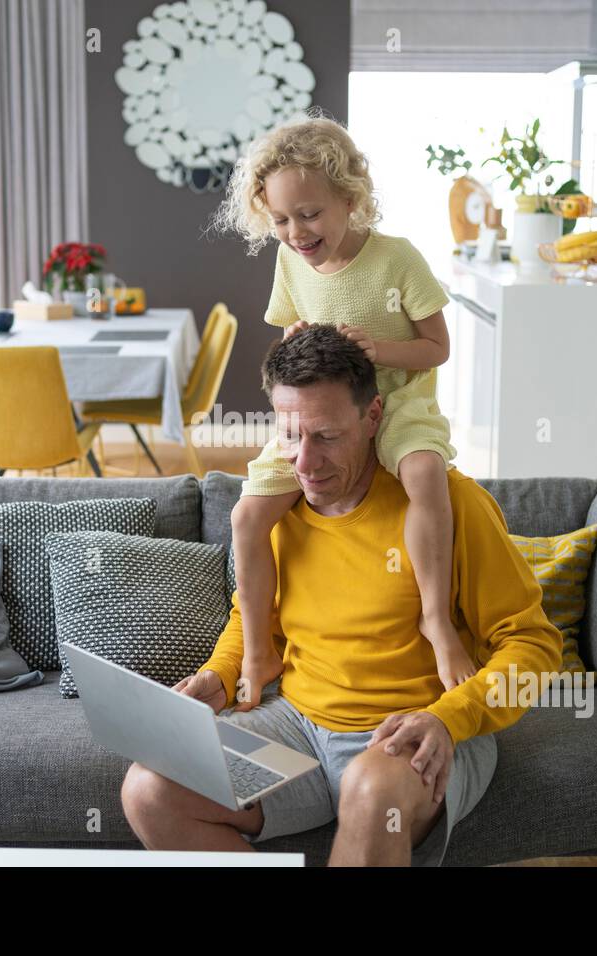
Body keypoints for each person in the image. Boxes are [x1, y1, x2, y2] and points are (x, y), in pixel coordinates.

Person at [121, 325, 563, 866]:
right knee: (149, 789)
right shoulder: (278, 507)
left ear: (373, 416)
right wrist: (221, 671)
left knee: (373, 791)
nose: (304, 462)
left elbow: (533, 644)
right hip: (299, 726)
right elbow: (254, 616)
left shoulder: (449, 504)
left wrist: (452, 718)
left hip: (419, 724)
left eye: (326, 436)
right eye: (289, 435)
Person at [209, 111, 475, 713]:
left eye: (309, 214)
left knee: (426, 477)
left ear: (349, 199)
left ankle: (436, 619)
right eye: (280, 219)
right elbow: (285, 355)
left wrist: (380, 350)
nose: (296, 231)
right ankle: (256, 651)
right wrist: (297, 338)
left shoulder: (396, 259)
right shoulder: (289, 263)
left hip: (398, 401)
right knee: (248, 517)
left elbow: (438, 348)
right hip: (324, 417)